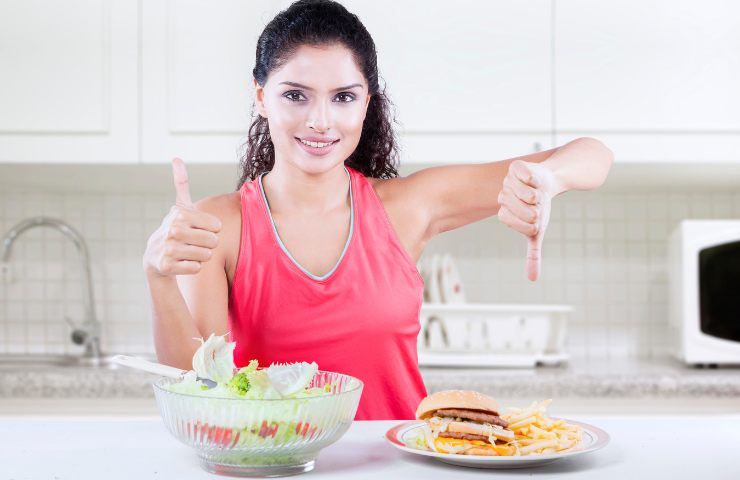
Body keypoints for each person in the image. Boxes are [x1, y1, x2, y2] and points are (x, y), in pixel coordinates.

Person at [143, 0, 613, 420]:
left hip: (398, 468)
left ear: (367, 102)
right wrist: (157, 276)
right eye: (295, 94)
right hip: (272, 471)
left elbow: (591, 153)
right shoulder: (219, 224)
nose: (320, 120)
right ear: (261, 96)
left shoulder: (408, 207)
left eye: (343, 97)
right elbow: (199, 389)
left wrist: (549, 180)